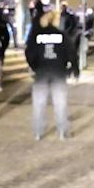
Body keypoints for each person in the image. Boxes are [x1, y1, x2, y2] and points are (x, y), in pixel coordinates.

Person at [24, 8, 72, 140]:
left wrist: (35, 67)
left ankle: (38, 132)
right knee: (60, 103)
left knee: (39, 103)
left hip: (41, 72)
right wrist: (68, 67)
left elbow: (29, 53)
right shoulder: (62, 35)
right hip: (58, 71)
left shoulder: (37, 35)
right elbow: (70, 52)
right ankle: (62, 131)